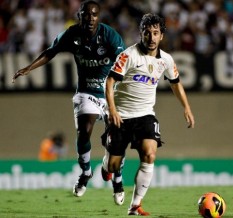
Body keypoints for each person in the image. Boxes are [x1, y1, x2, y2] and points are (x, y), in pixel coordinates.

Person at [12, 0, 126, 199]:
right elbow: (50, 51)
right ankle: (85, 173)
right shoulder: (72, 34)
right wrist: (29, 68)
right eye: (86, 14)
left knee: (115, 139)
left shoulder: (109, 36)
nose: (90, 18)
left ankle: (117, 178)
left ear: (99, 17)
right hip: (86, 92)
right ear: (79, 16)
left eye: (94, 14)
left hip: (110, 93)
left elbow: (124, 62)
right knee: (85, 130)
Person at [101, 13, 195, 216]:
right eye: (147, 33)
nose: (151, 38)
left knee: (150, 154)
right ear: (140, 34)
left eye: (155, 33)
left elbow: (176, 84)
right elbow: (109, 83)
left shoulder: (166, 60)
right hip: (121, 115)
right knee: (112, 165)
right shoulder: (128, 55)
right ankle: (108, 165)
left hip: (145, 115)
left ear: (162, 35)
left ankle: (135, 205)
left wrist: (186, 107)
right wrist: (112, 110)